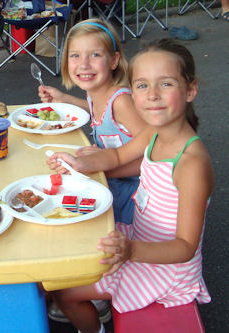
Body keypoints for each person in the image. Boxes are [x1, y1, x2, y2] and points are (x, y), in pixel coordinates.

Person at [46, 38, 213, 333]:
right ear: (131, 92)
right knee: (63, 251)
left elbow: (185, 247)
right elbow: (120, 155)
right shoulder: (156, 132)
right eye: (142, 85)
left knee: (64, 291)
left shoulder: (191, 164)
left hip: (165, 269)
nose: (152, 96)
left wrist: (131, 251)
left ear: (191, 90)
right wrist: (79, 165)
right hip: (139, 238)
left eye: (166, 84)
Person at [39, 19, 146, 226]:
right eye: (75, 55)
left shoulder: (122, 101)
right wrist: (64, 99)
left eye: (95, 54)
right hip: (112, 178)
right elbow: (98, 111)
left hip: (137, 192)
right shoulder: (96, 94)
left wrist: (101, 170)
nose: (84, 64)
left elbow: (157, 155)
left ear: (114, 61)